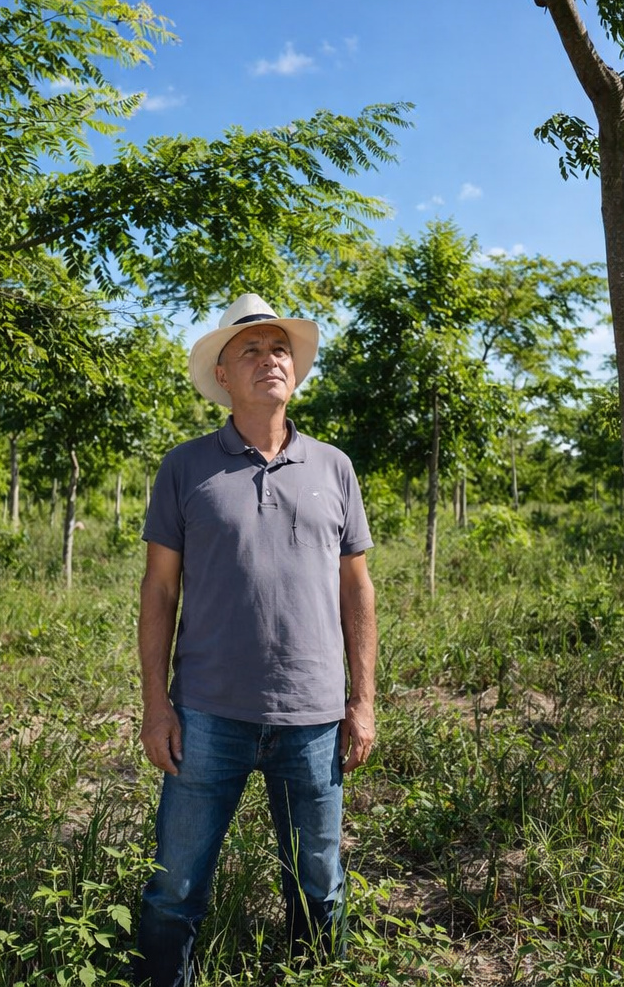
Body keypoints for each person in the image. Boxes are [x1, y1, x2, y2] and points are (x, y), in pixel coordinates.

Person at [133, 292, 379, 987]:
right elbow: (159, 591)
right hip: (207, 713)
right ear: (221, 378)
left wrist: (362, 703)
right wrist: (157, 705)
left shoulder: (334, 467)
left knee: (319, 888)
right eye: (251, 350)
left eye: (280, 350)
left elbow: (356, 589)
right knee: (173, 890)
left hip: (314, 717)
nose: (271, 360)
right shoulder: (184, 468)